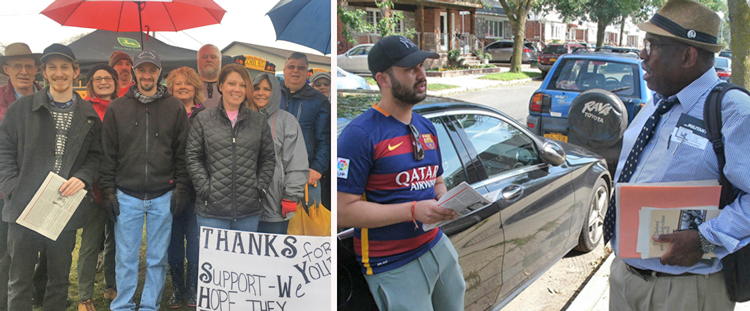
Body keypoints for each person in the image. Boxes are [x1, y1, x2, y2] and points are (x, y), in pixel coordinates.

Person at [603, 1, 750, 310]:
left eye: (652, 45)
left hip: (686, 291)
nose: (642, 54)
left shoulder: (733, 110)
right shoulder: (658, 102)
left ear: (687, 55)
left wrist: (705, 239)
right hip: (625, 279)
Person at [337, 35, 465, 311]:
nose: (421, 74)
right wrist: (413, 210)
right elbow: (343, 211)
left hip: (435, 244)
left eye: (421, 66)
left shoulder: (427, 127)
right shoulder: (359, 136)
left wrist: (446, 201)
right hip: (392, 262)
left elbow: (437, 181)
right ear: (383, 79)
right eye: (410, 69)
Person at [0, 43, 102, 311]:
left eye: (65, 67)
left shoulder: (89, 115)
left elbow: (97, 156)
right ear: (43, 73)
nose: (59, 73)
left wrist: (83, 177)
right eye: (52, 68)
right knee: (19, 280)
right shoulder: (20, 111)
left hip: (63, 207)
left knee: (58, 280)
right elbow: (3, 152)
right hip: (24, 206)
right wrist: (13, 188)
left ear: (75, 71)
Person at [100, 50, 191, 311]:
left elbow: (182, 152)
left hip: (163, 194)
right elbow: (108, 152)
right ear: (134, 73)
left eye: (152, 70)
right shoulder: (118, 107)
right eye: (142, 70)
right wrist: (107, 189)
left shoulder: (174, 106)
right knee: (126, 258)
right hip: (126, 195)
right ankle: (123, 305)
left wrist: (182, 187)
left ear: (159, 73)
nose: (147, 75)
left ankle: (150, 305)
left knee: (156, 258)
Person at [185, 64, 275, 231]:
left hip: (248, 210)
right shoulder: (204, 119)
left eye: (242, 85)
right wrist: (205, 188)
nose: (237, 89)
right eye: (232, 83)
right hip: (211, 210)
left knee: (244, 257)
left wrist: (260, 187)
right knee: (212, 258)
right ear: (221, 86)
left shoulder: (258, 121)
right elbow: (193, 156)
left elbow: (268, 158)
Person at [0, 41, 42, 311]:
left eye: (29, 65)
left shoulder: (50, 98)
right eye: (18, 66)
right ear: (7, 69)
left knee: (43, 251)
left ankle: (39, 295)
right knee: (7, 255)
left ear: (37, 69)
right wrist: (11, 186)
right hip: (8, 191)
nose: (24, 71)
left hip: (44, 191)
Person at [77, 63, 119, 311]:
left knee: (114, 241)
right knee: (91, 243)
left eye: (108, 78)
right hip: (92, 187)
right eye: (97, 78)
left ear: (115, 81)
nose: (103, 82)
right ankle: (84, 296)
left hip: (117, 185)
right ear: (90, 82)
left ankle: (110, 285)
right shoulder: (83, 108)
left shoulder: (123, 107)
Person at [164, 66, 205, 308]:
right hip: (169, 187)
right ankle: (177, 288)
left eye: (187, 83)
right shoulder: (164, 113)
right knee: (173, 240)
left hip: (198, 190)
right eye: (177, 83)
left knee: (196, 239)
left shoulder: (207, 115)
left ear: (195, 88)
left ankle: (193, 288)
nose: (182, 87)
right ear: (170, 88)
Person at [251, 72, 308, 234]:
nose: (261, 93)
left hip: (275, 205)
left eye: (267, 89)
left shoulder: (287, 121)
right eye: (256, 88)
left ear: (275, 92)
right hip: (244, 208)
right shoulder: (242, 118)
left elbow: (297, 163)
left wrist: (291, 196)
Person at [279, 53, 330, 208]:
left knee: (308, 227)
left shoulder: (318, 100)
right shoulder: (272, 95)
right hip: (274, 172)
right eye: (291, 66)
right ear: (284, 70)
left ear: (307, 72)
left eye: (301, 67)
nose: (296, 70)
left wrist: (317, 168)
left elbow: (325, 139)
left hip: (306, 176)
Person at [197, 44, 221, 109]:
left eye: (213, 57)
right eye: (204, 57)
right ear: (198, 62)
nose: (208, 60)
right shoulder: (190, 87)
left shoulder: (229, 88)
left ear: (220, 62)